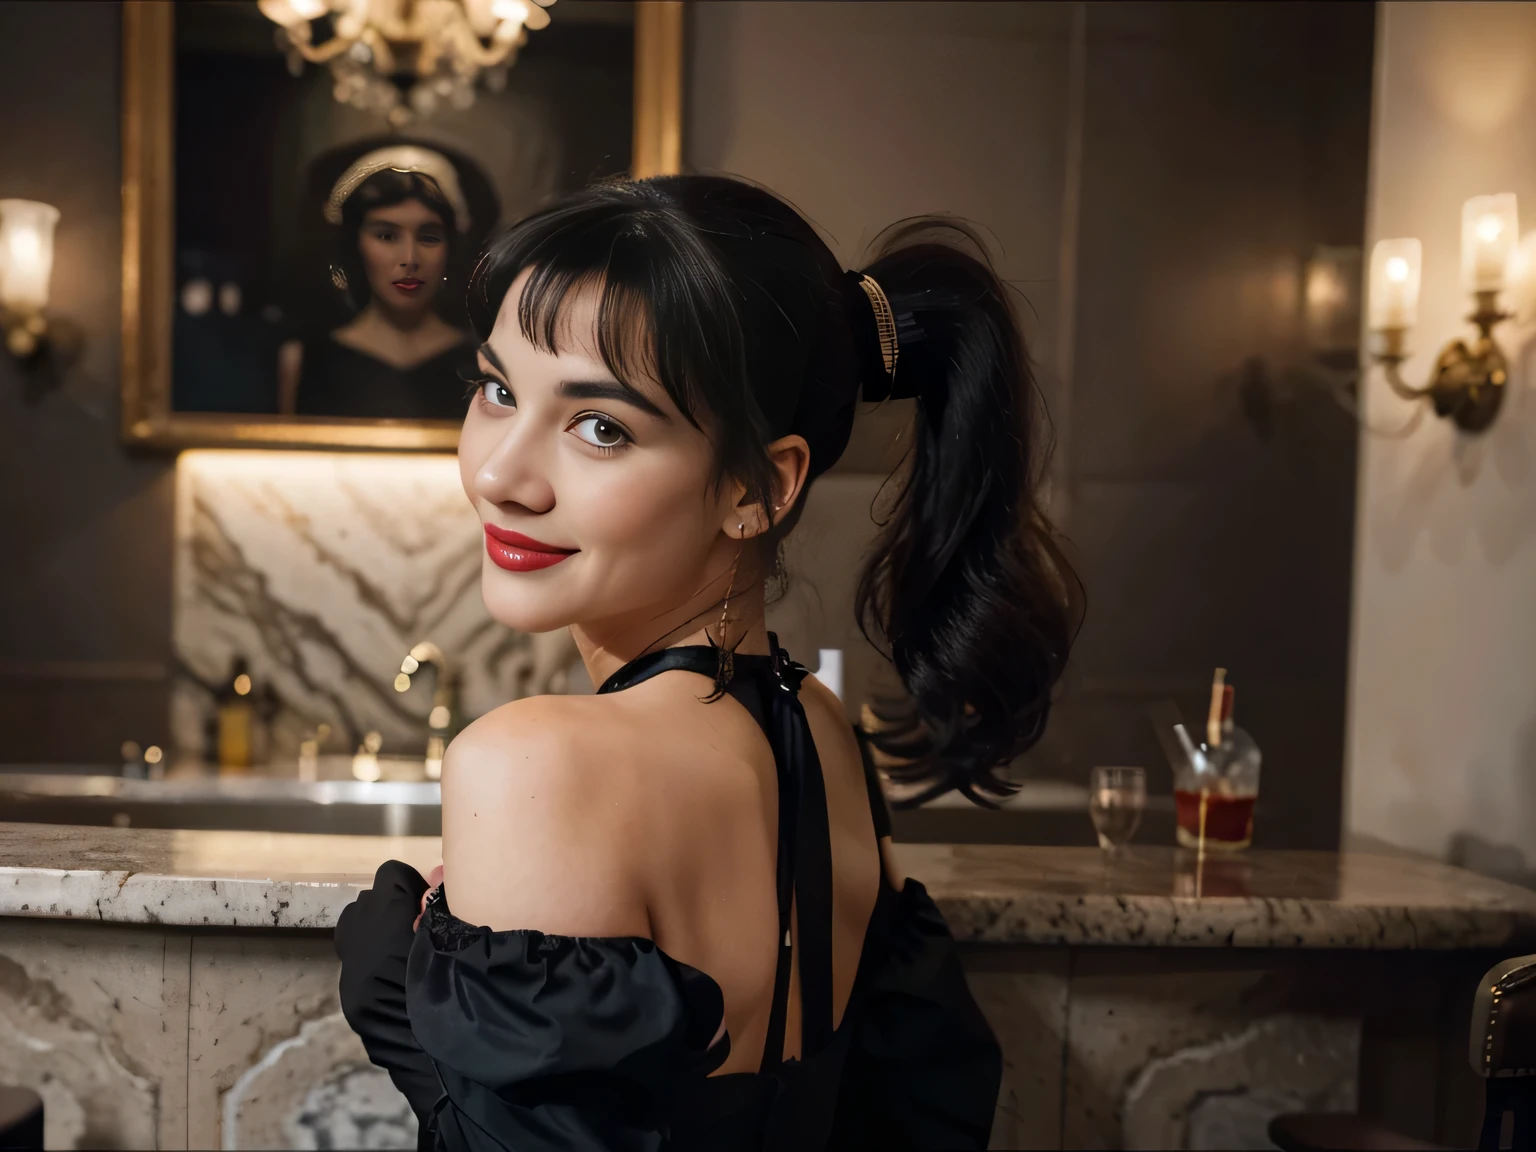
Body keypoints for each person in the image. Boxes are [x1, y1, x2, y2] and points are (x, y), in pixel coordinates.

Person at [334, 174, 1080, 1151]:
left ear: (758, 488)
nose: (499, 474)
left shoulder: (534, 762)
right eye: (498, 390)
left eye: (600, 426)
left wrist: (400, 985)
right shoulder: (822, 730)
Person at [278, 145, 477, 420]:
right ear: (355, 244)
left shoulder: (485, 364)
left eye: (429, 237)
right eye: (386, 236)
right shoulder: (304, 361)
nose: (409, 258)